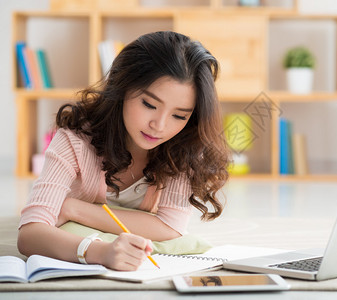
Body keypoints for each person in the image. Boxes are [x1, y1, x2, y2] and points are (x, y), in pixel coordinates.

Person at [17, 31, 230, 271]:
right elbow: (30, 234)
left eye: (179, 115)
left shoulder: (184, 146)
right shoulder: (74, 140)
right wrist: (100, 252)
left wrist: (72, 209)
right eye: (149, 104)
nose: (159, 125)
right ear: (122, 88)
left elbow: (170, 227)